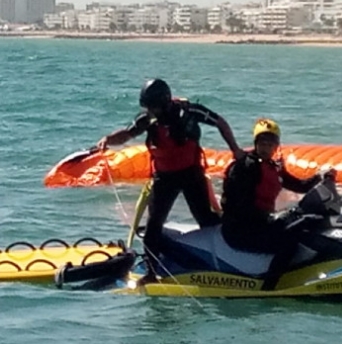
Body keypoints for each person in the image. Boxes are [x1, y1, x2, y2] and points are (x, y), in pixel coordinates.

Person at [96, 78, 242, 264]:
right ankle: (151, 270)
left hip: (192, 175)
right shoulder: (148, 119)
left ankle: (229, 258)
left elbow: (220, 122)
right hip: (164, 179)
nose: (150, 111)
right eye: (148, 107)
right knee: (152, 229)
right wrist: (108, 140)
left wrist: (235, 149)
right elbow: (127, 134)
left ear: (165, 102)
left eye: (153, 107)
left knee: (206, 220)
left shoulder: (189, 111)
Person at [220, 117, 329, 290]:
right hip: (240, 229)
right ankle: (269, 287)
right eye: (262, 144)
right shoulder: (246, 167)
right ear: (256, 144)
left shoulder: (274, 167)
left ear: (276, 146)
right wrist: (274, 220)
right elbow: (236, 203)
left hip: (259, 224)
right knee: (288, 244)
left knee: (303, 226)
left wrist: (321, 177)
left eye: (270, 145)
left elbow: (300, 186)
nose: (266, 148)